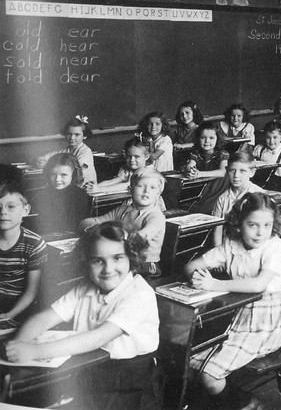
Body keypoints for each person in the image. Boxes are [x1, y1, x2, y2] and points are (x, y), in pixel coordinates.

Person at [6, 221, 161, 409]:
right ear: (86, 262)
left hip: (130, 384)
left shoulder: (139, 294)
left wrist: (35, 351)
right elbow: (44, 318)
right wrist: (19, 345)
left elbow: (96, 339)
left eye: (117, 258)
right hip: (88, 374)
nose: (108, 269)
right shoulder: (85, 289)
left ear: (132, 257)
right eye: (98, 260)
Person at [185, 193, 281, 410]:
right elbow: (190, 267)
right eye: (252, 224)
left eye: (266, 225)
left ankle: (246, 403)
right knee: (189, 361)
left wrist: (214, 284)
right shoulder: (232, 245)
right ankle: (231, 401)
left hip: (269, 318)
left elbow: (258, 285)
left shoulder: (276, 247)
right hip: (237, 313)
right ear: (239, 224)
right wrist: (197, 277)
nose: (260, 232)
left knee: (209, 373)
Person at [79, 168, 166, 279]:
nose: (146, 191)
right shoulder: (122, 210)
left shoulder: (156, 216)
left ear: (159, 193)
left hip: (145, 265)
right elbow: (89, 222)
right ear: (130, 189)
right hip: (123, 259)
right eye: (140, 186)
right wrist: (92, 227)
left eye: (152, 188)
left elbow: (141, 237)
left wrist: (112, 236)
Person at [0, 184, 46, 321]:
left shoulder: (34, 244)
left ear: (25, 210)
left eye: (11, 207)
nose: (3, 212)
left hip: (16, 305)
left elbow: (32, 291)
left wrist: (10, 315)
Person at [29, 153, 91, 235]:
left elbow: (74, 225)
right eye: (53, 174)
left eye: (63, 175)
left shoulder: (80, 195)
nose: (57, 180)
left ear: (74, 175)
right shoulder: (44, 192)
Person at [212, 152, 263, 246]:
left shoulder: (259, 196)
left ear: (252, 172)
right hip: (228, 248)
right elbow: (217, 230)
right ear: (227, 171)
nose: (236, 176)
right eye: (232, 170)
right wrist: (218, 253)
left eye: (242, 171)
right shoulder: (222, 199)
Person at [36, 115, 97, 186]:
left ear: (84, 136)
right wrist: (41, 160)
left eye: (76, 135)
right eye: (69, 134)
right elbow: (49, 156)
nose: (72, 137)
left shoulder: (85, 152)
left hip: (85, 186)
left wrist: (47, 165)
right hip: (70, 185)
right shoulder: (66, 150)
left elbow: (77, 171)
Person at [252, 121, 281, 192]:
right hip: (260, 183)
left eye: (275, 137)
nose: (271, 141)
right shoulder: (259, 148)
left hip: (277, 185)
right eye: (268, 137)